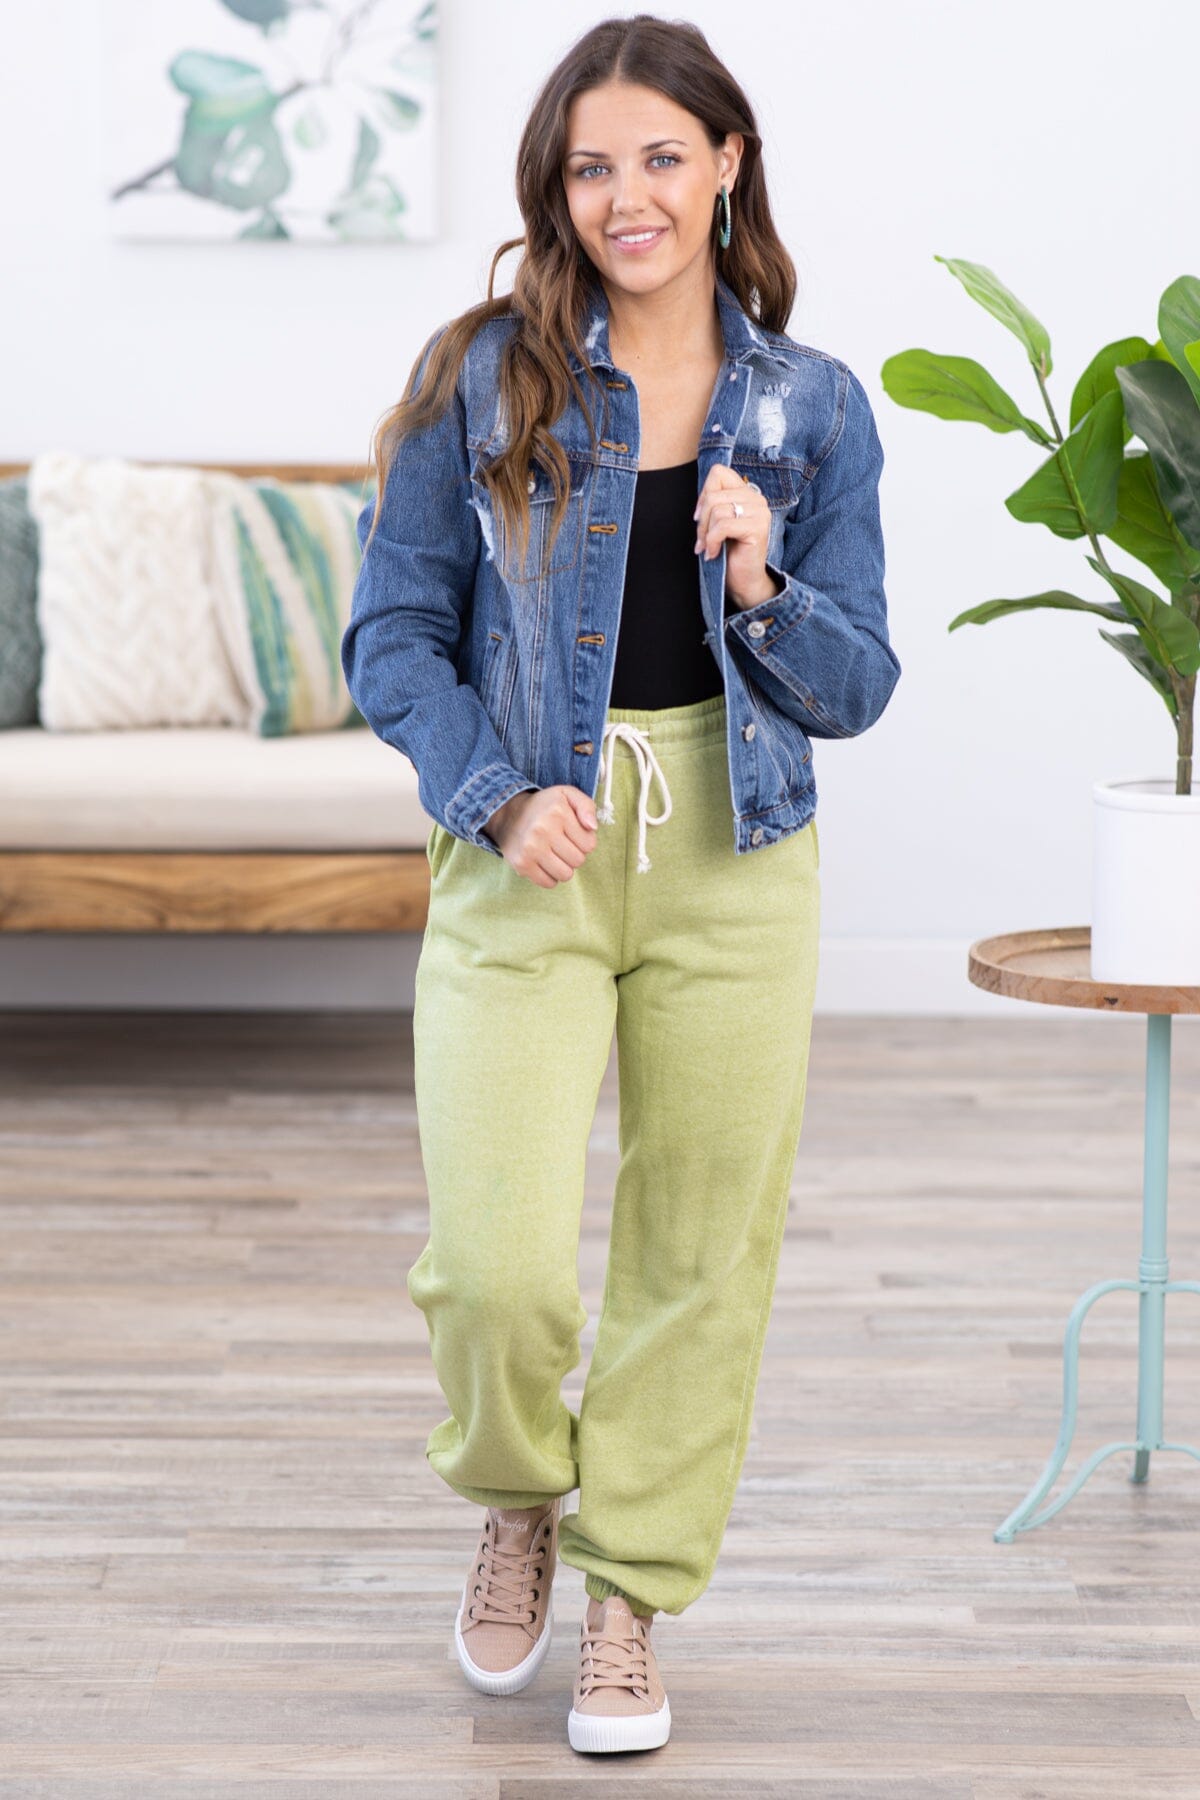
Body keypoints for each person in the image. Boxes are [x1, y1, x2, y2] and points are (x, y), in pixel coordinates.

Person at [341, 13, 901, 1759]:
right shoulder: (482, 376)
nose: (627, 196)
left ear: (728, 162)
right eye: (593, 167)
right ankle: (519, 1492)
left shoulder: (815, 407)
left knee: (699, 1252)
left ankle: (631, 1593)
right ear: (557, 188)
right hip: (531, 854)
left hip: (736, 851)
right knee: (495, 1264)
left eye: (663, 156)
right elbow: (393, 634)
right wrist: (497, 797)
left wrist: (761, 583)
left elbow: (860, 686)